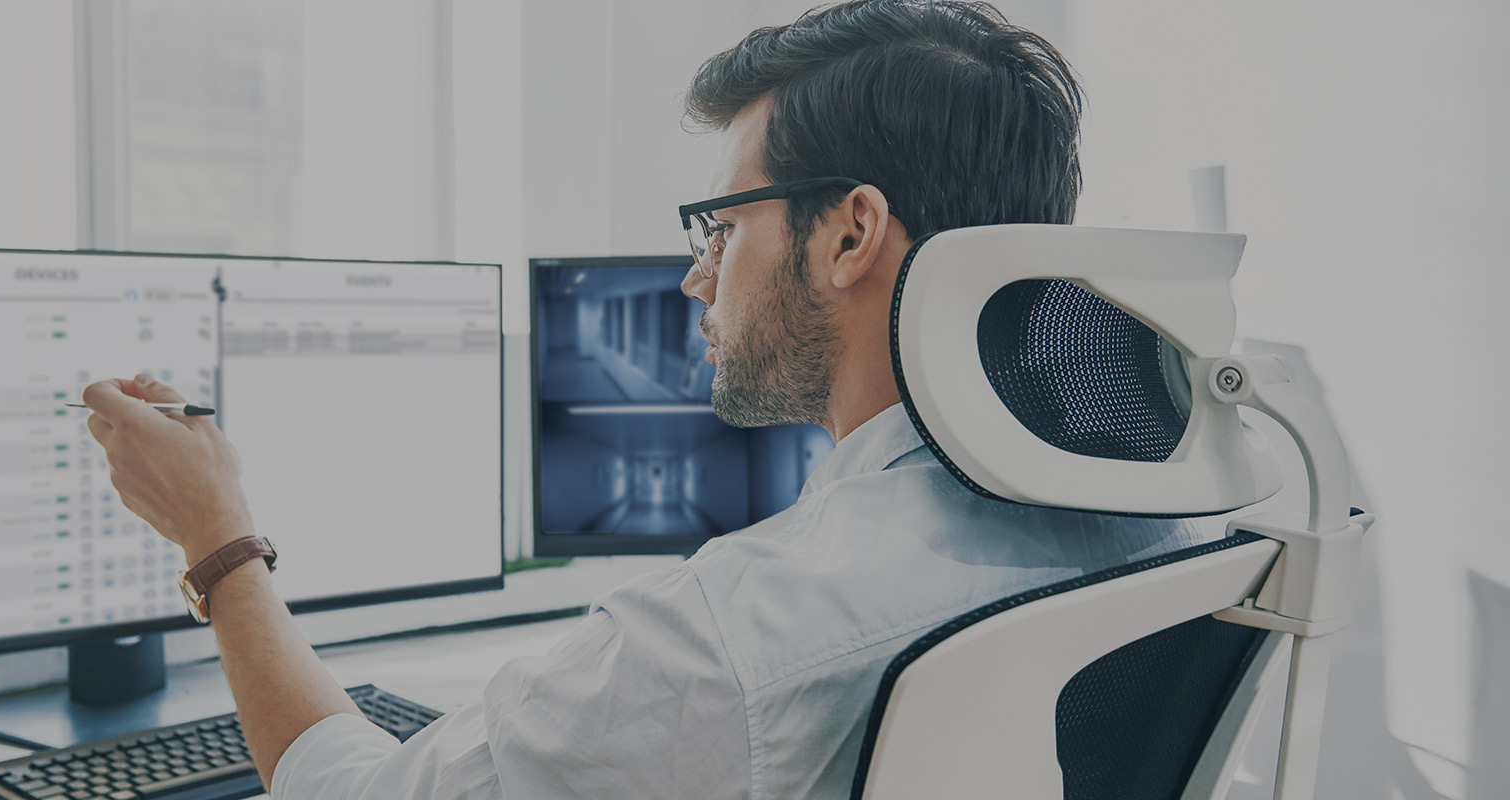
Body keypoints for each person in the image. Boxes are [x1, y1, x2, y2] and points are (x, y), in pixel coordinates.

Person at [80, 1, 1210, 796]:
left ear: (850, 234)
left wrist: (218, 539)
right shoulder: (1164, 515)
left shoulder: (729, 636)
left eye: (721, 227)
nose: (696, 278)